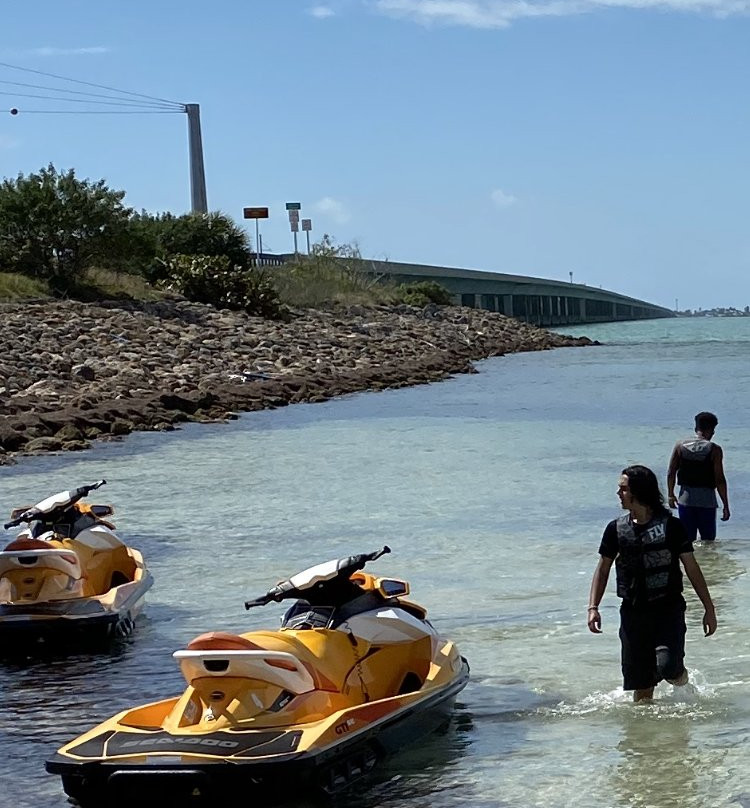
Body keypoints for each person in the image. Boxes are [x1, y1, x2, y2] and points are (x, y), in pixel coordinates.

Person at [587, 465, 717, 702]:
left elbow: (691, 568)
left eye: (623, 489)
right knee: (642, 685)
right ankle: (644, 726)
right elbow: (603, 569)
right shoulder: (616, 529)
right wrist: (593, 607)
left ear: (639, 491)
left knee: (669, 667)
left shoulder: (672, 526)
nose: (618, 493)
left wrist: (709, 608)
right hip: (633, 612)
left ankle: (682, 679)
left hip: (668, 610)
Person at [667, 411, 730, 542]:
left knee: (686, 541)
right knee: (708, 541)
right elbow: (720, 480)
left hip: (685, 500)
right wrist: (725, 505)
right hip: (707, 502)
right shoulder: (714, 449)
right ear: (712, 430)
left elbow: (671, 472)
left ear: (696, 427)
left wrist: (671, 494)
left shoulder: (680, 446)